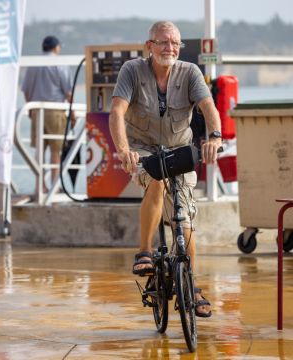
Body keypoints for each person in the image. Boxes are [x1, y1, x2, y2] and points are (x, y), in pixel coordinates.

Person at [109, 21, 222, 318]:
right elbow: (117, 112)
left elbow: (208, 107)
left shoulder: (190, 72)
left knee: (184, 221)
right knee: (156, 181)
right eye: (163, 42)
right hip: (142, 149)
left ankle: (192, 285)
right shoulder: (132, 71)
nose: (169, 48)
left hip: (179, 149)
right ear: (149, 46)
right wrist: (123, 150)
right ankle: (144, 251)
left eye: (174, 43)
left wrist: (215, 138)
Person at [21, 35, 75, 192]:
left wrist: (30, 109)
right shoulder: (59, 63)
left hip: (37, 111)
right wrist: (73, 114)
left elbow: (25, 91)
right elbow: (68, 92)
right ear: (56, 48)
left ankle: (40, 186)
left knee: (40, 150)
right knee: (55, 150)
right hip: (55, 110)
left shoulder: (33, 64)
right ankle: (55, 185)